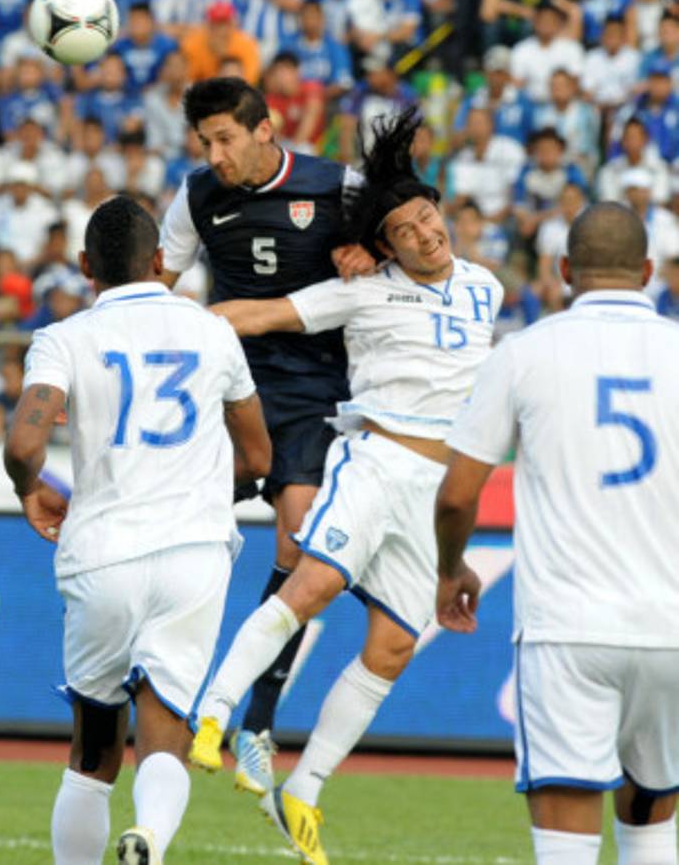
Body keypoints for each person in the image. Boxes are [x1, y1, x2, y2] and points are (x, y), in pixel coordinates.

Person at [197, 109, 503, 865]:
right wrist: (170, 322)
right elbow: (261, 315)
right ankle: (214, 712)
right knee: (314, 584)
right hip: (376, 465)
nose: (426, 235)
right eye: (405, 230)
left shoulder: (487, 288)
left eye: (428, 219)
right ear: (384, 246)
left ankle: (305, 788)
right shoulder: (361, 290)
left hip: (439, 491)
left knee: (394, 646)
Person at [3, 195, 271, 865]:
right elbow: (260, 457)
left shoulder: (64, 338)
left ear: (87, 266)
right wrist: (206, 491)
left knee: (93, 751)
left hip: (102, 553)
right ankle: (148, 837)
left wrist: (30, 488)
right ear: (159, 261)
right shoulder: (212, 332)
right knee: (165, 732)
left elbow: (23, 443)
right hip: (193, 554)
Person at [435, 201, 679, 865]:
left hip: (567, 627)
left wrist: (451, 568)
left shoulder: (524, 353)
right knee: (654, 824)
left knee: (566, 841)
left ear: (566, 269)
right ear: (650, 272)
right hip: (671, 628)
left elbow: (458, 494)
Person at [159, 76, 369, 795]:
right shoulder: (195, 196)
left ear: (265, 128)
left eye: (225, 139)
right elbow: (155, 283)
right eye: (205, 142)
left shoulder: (336, 185)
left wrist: (370, 251)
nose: (215, 155)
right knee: (176, 533)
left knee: (296, 540)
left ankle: (256, 721)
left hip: (312, 390)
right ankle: (162, 696)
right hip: (224, 388)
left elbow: (412, 233)